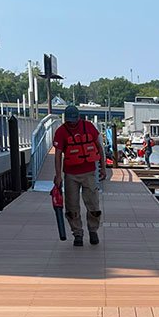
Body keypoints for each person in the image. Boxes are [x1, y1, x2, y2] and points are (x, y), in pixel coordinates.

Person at [51, 105, 106, 246]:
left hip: (89, 172)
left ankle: (93, 231)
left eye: (74, 120)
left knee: (93, 203)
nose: (72, 123)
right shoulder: (61, 131)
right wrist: (58, 175)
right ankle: (77, 234)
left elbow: (99, 147)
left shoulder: (89, 127)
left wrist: (103, 168)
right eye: (69, 120)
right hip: (70, 174)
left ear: (79, 117)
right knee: (72, 206)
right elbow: (57, 155)